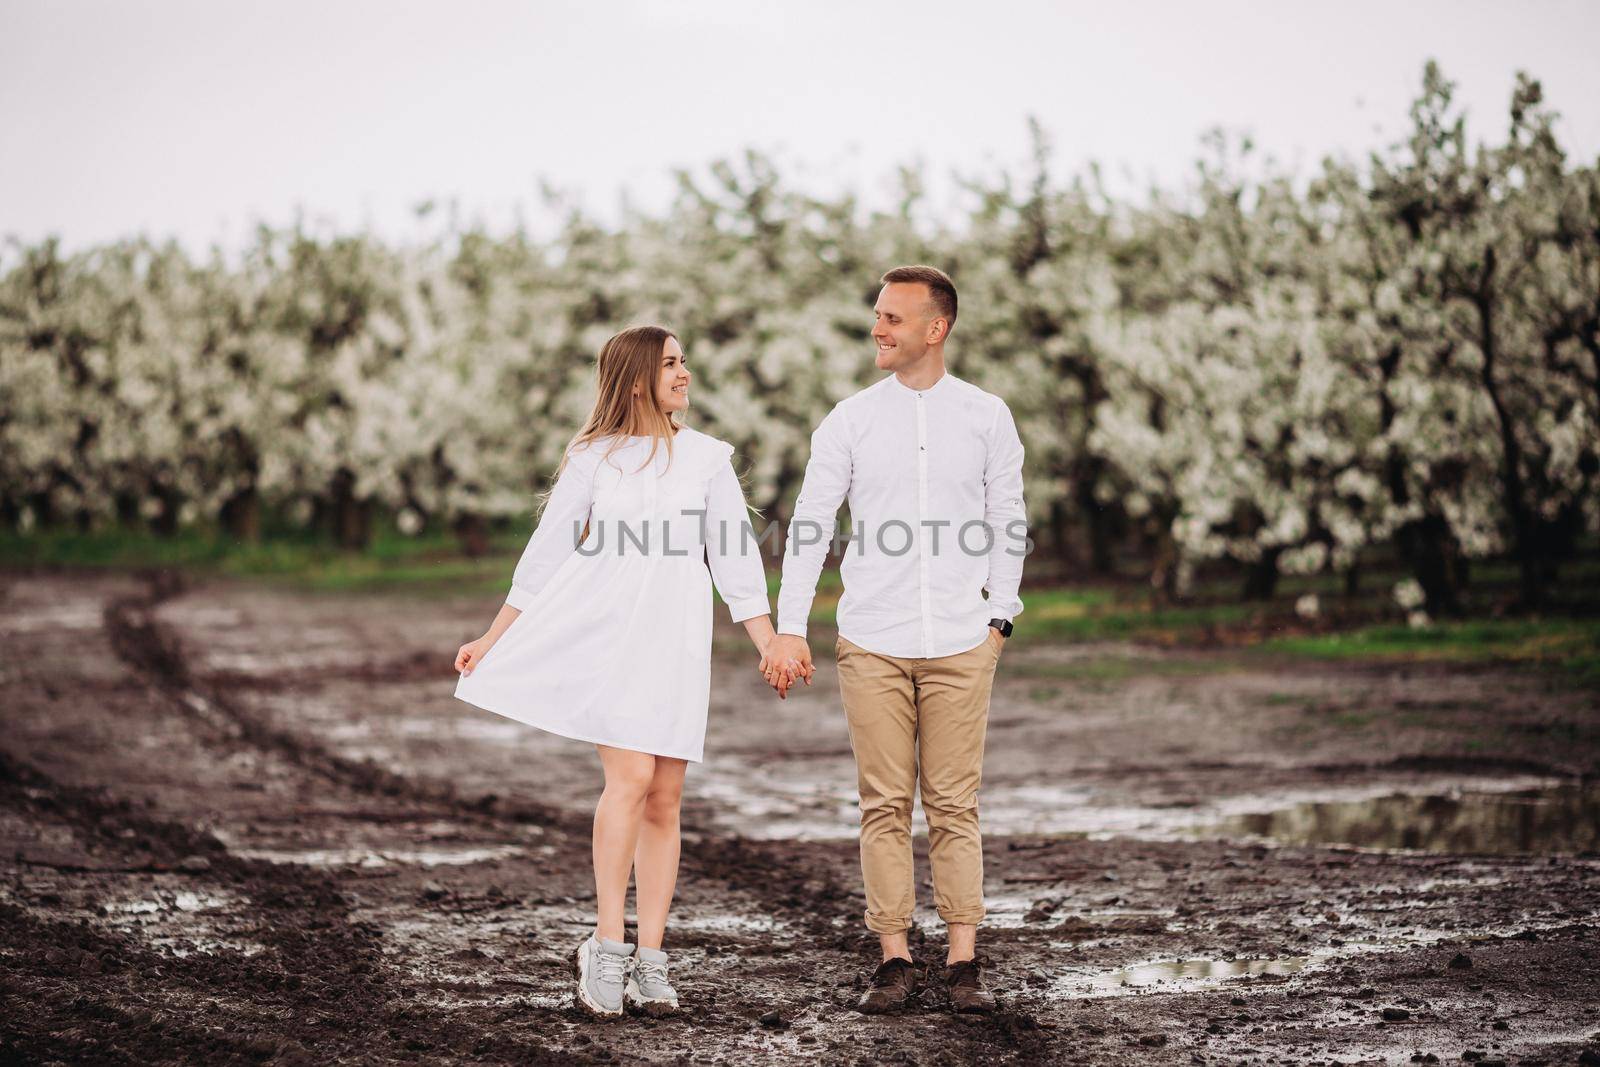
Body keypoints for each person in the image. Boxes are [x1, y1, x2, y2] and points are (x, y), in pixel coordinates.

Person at [453, 325, 777, 1020]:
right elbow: (545, 556)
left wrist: (768, 640)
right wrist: (494, 634)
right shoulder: (593, 459)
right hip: (610, 638)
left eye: (685, 359)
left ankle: (651, 960)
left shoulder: (708, 459)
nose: (684, 372)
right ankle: (606, 946)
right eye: (670, 363)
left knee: (665, 798)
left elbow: (736, 560)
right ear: (636, 379)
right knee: (628, 780)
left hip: (678, 643)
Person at [758, 265, 1027, 1014]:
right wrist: (790, 626)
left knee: (953, 802)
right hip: (872, 639)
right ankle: (895, 956)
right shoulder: (849, 419)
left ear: (935, 328)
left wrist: (1000, 618)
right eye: (877, 315)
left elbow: (1009, 517)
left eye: (892, 318)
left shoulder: (985, 415)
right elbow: (809, 527)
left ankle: (965, 959)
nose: (878, 328)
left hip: (960, 639)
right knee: (882, 802)